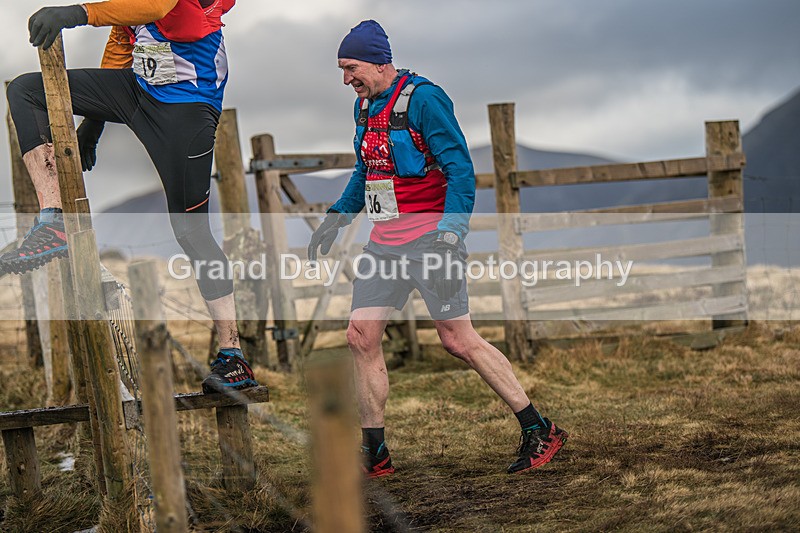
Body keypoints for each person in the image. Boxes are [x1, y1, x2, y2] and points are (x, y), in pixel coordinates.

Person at [308, 20, 568, 477]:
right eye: (342, 69)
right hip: (385, 244)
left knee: (457, 340)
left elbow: (461, 172)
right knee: (360, 336)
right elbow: (365, 171)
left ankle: (539, 428)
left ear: (378, 62)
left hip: (431, 239)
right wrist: (335, 220)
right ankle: (376, 454)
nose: (345, 79)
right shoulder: (364, 107)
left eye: (350, 68)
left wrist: (451, 234)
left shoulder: (425, 100)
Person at [3, 0, 258, 394]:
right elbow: (123, 41)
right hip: (138, 90)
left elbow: (156, 6)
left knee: (191, 231)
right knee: (27, 90)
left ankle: (234, 356)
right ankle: (53, 220)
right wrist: (94, 123)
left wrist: (77, 13)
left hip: (187, 106)